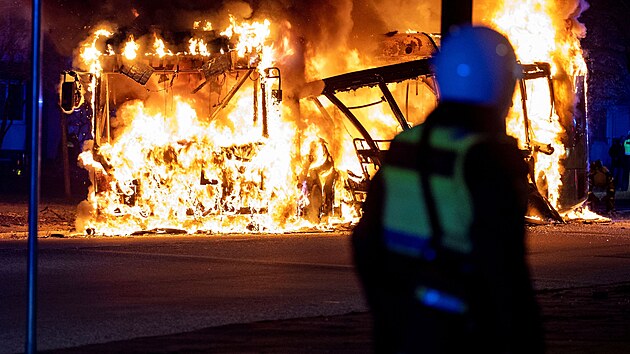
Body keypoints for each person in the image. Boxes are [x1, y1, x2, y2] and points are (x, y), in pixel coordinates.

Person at [352, 25, 545, 353]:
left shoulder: (405, 147)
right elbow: (504, 272)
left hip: (400, 334)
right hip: (464, 337)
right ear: (500, 84)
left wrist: (391, 312)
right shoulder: (487, 159)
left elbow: (364, 245)